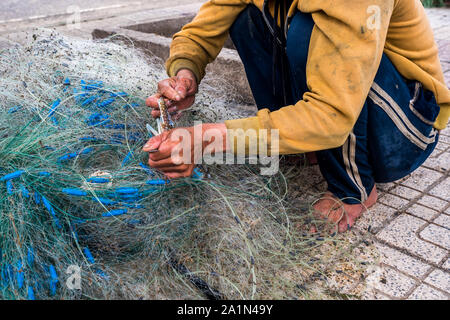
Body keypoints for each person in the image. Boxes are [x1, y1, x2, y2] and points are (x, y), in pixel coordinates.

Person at [143, 0, 449, 233]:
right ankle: (306, 145)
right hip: (348, 104)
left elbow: (331, 115)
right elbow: (203, 28)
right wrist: (185, 73)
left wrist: (207, 140)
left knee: (307, 32)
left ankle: (354, 190)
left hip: (406, 128)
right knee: (245, 19)